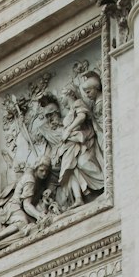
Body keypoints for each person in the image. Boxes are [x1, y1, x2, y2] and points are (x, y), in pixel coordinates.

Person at [56, 69, 105, 209]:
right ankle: (78, 198)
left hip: (82, 142)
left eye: (62, 97)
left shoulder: (78, 103)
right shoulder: (71, 108)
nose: (61, 101)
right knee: (71, 170)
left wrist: (69, 129)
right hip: (71, 146)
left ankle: (105, 182)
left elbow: (82, 117)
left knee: (84, 163)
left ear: (68, 95)